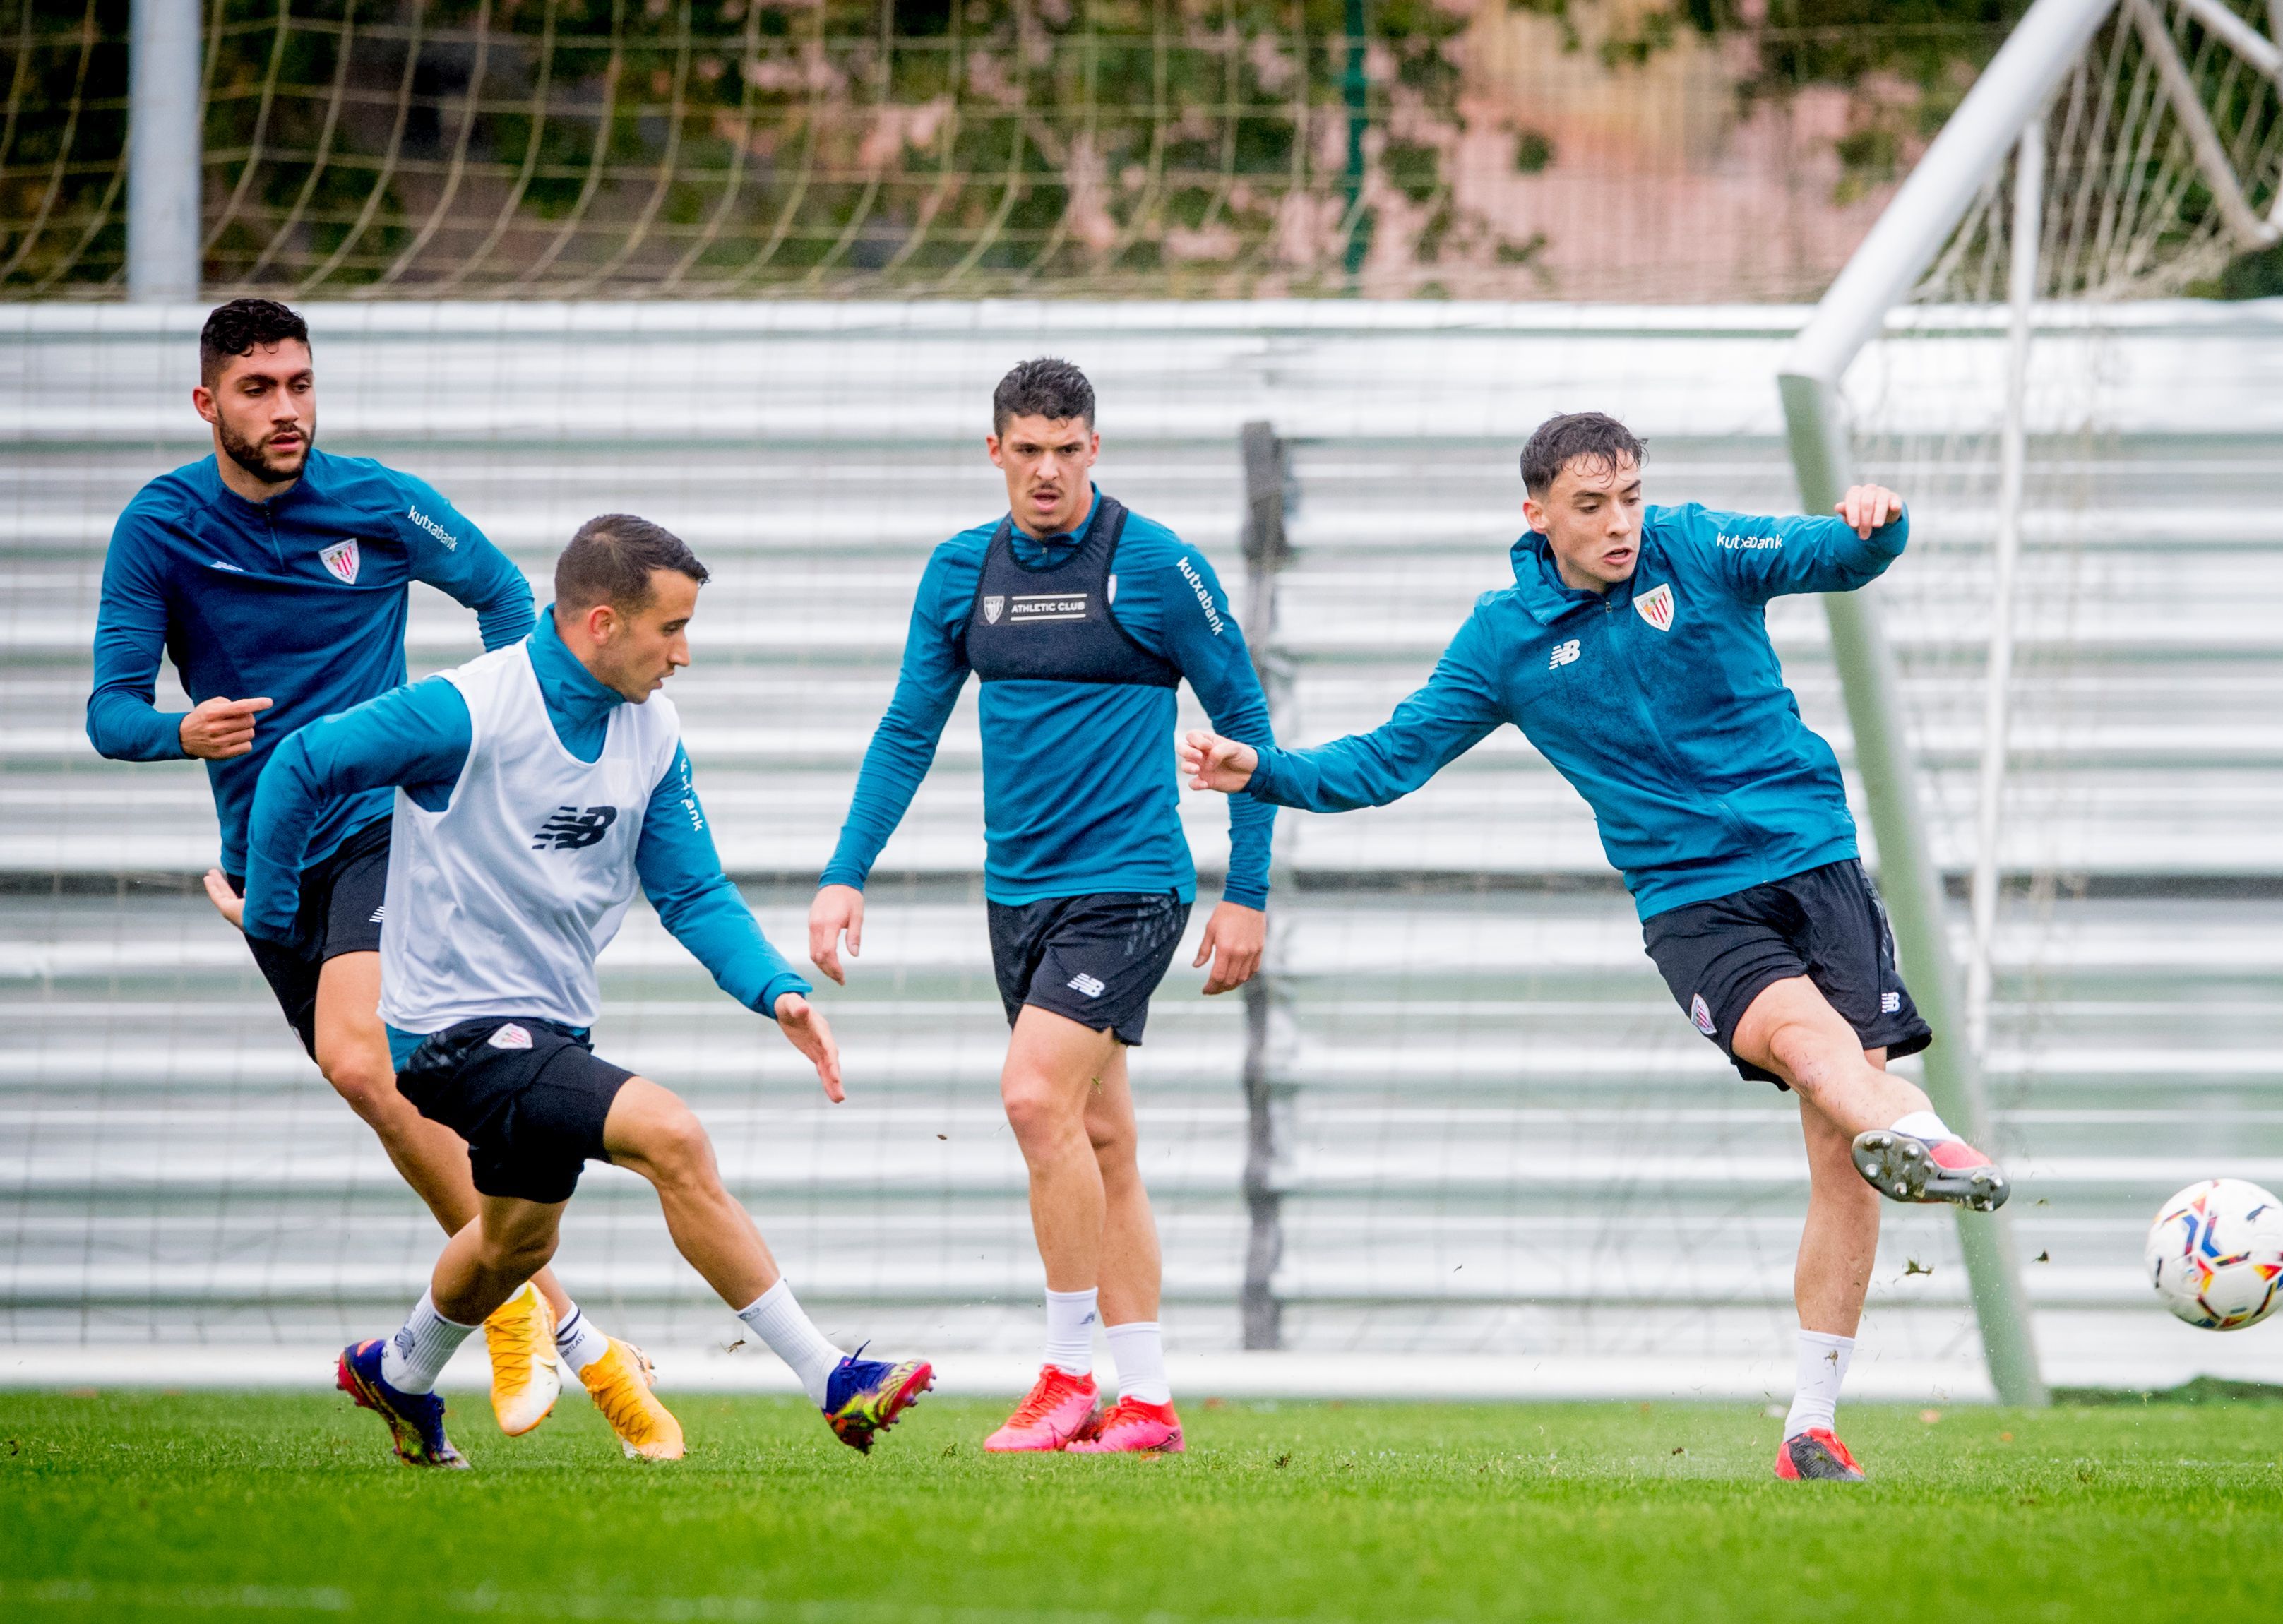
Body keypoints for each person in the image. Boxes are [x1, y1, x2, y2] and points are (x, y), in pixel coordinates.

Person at [1178, 412, 2006, 1483]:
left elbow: (1831, 554)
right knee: (1812, 1056)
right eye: (1590, 507)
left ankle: (1811, 1424)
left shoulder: (1699, 547)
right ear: (1535, 516)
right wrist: (1266, 770)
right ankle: (1937, 1143)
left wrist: (1875, 522)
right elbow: (1386, 761)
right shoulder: (1505, 640)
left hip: (1817, 866)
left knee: (1840, 1153)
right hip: (1695, 905)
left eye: (1629, 498)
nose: (1619, 524)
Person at [244, 514, 931, 1467]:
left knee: (510, 1248)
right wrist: (277, 915)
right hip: (447, 1036)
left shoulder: (651, 730)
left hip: (549, 1030)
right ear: (602, 622)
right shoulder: (467, 710)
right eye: (671, 630)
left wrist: (775, 991)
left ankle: (395, 1375)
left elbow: (691, 889)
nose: (684, 654)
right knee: (673, 1138)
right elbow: (302, 763)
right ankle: (833, 1380)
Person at [88, 297, 628, 1442]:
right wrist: (177, 734)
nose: (286, 408)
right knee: (374, 1085)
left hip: (389, 824)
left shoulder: (379, 502)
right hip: (267, 852)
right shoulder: (159, 527)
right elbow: (107, 714)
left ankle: (518, 1311)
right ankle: (500, 1340)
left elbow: (507, 603)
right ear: (207, 404)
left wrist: (495, 756)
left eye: (299, 383)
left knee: (362, 1058)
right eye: (257, 389)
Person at [807, 359, 1276, 1456]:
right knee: (1099, 1136)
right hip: (1016, 898)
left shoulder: (1157, 564)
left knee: (1030, 1102)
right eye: (1028, 451)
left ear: (1095, 450)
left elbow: (1247, 717)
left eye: (1068, 449)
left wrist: (1245, 894)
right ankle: (1148, 1401)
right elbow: (906, 731)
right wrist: (844, 871)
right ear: (996, 453)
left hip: (1132, 889)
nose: (1049, 470)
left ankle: (1067, 1375)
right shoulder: (960, 573)